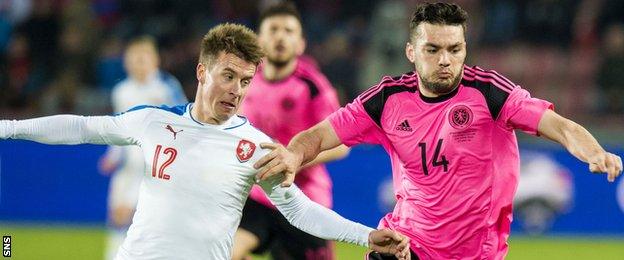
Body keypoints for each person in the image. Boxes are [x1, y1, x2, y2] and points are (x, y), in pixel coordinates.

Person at [0, 23, 411, 260]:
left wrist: (365, 235)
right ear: (202, 71)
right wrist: (9, 128)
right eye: (228, 76)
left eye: (246, 81)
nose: (236, 89)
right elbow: (82, 128)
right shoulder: (152, 122)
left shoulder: (255, 147)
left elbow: (301, 211)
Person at [253, 3, 623, 260]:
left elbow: (558, 125)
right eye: (433, 49)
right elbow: (319, 135)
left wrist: (593, 151)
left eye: (454, 49)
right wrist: (292, 154)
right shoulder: (385, 100)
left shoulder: (490, 93)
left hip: (475, 250)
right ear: (412, 51)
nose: (445, 59)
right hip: (404, 242)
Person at [233, 2, 348, 260]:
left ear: (300, 43)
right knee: (224, 251)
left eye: (288, 31)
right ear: (260, 40)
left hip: (304, 201)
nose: (280, 37)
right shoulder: (244, 82)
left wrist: (293, 158)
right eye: (273, 30)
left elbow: (342, 144)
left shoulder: (313, 87)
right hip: (257, 196)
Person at [98, 35, 188, 260]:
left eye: (143, 58)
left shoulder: (166, 87)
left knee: (151, 224)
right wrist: (113, 154)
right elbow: (118, 130)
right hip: (129, 168)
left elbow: (186, 123)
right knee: (118, 219)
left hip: (158, 169)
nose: (138, 64)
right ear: (126, 62)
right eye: (133, 59)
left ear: (155, 61)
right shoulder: (121, 91)